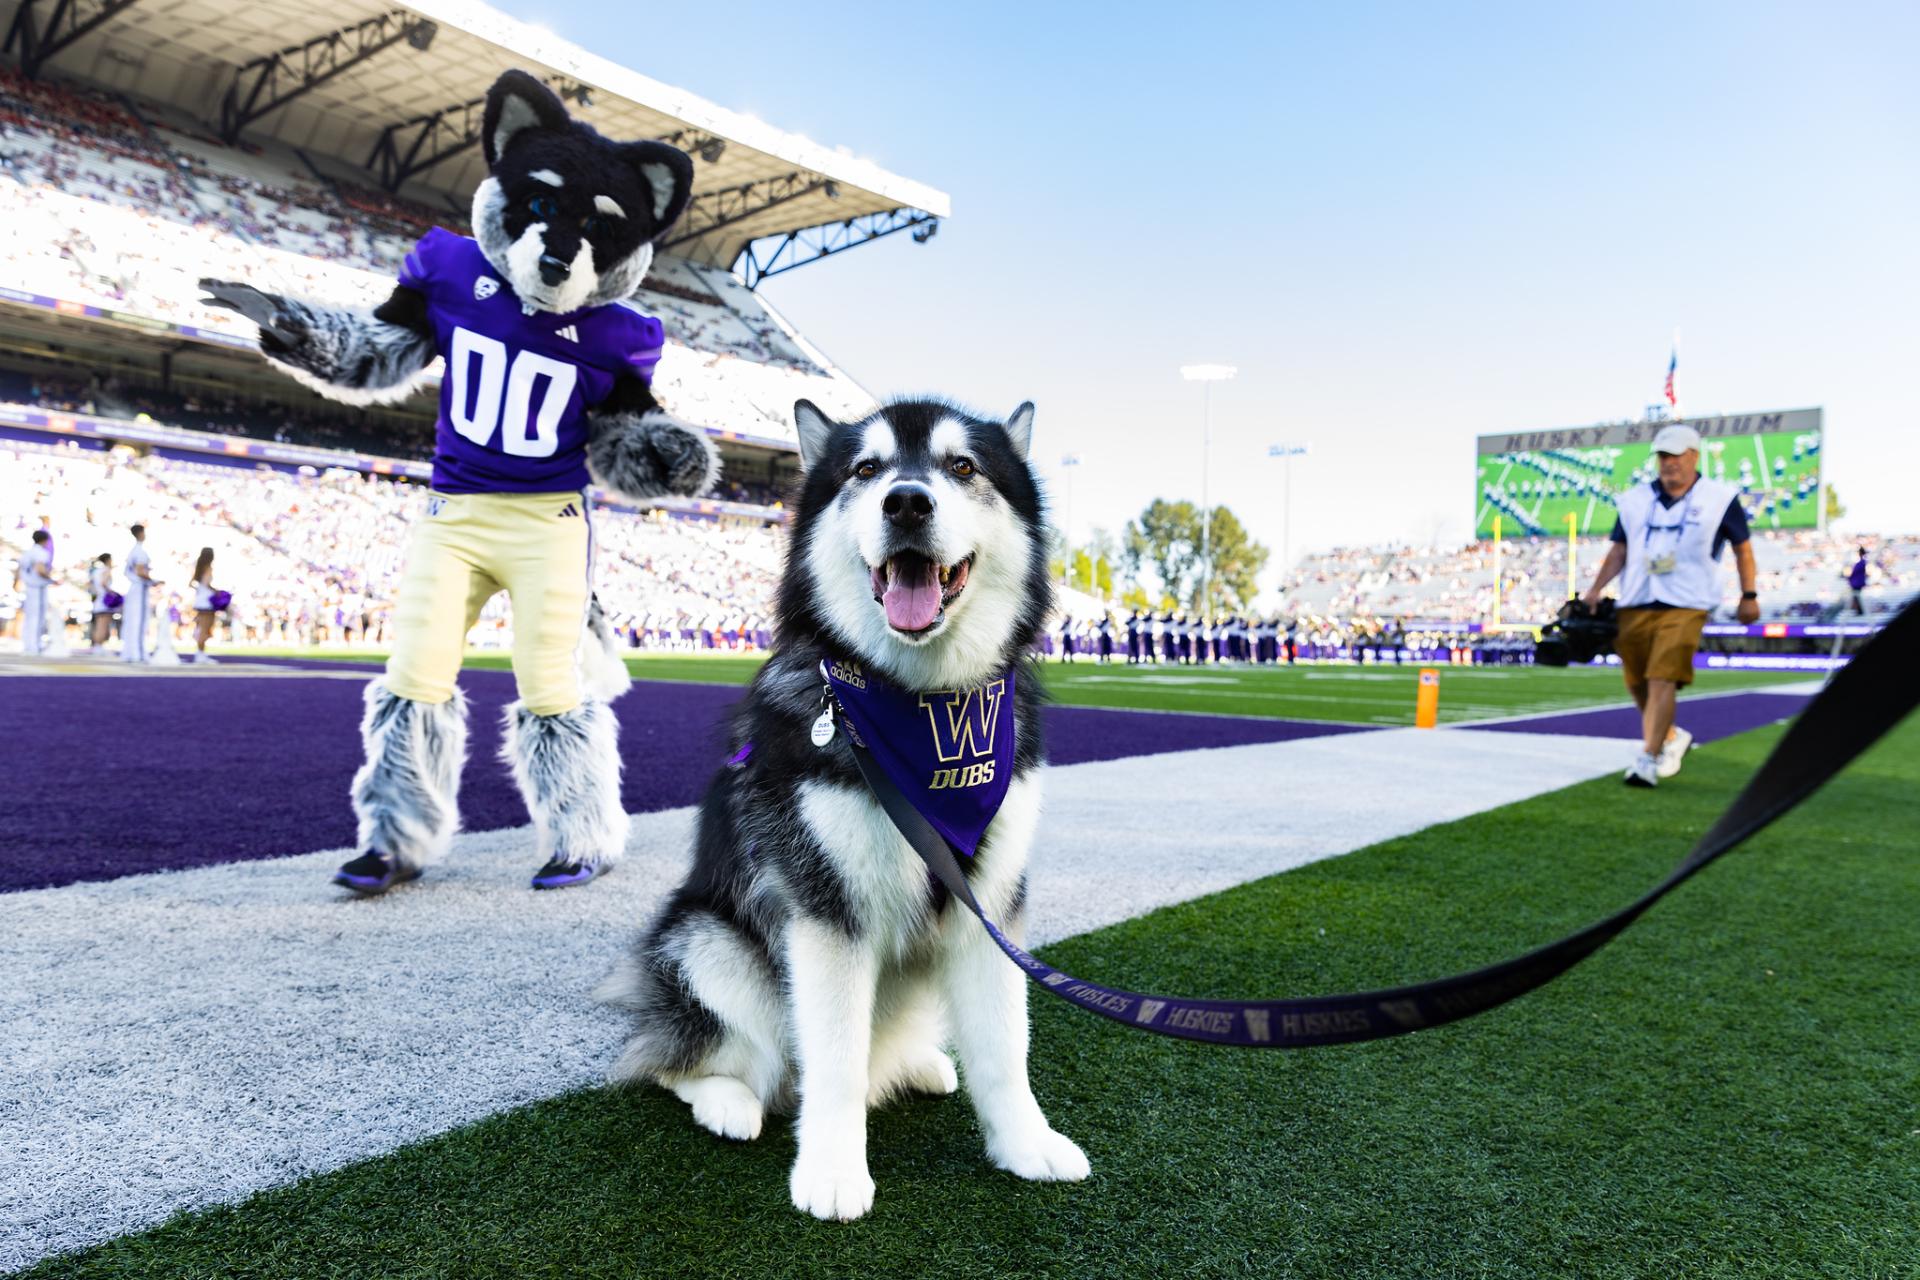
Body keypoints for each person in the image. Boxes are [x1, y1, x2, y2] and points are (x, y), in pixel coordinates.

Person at [1582, 424, 1760, 788]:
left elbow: (1743, 548)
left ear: (1695, 455)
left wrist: (1749, 595)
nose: (1669, 463)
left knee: (1662, 675)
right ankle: (1670, 736)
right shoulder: (1633, 500)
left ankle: (1648, 758)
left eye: (1676, 455)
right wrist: (1595, 590)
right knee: (1637, 681)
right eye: (1663, 456)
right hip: (1637, 597)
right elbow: (1620, 549)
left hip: (1688, 600)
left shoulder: (1720, 498)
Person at [13, 529, 54, 654]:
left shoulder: (27, 552)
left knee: (29, 617)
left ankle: (28, 644)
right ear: (45, 540)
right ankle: (35, 645)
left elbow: (18, 570)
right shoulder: (41, 553)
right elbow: (40, 570)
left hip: (28, 587)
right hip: (38, 588)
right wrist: (52, 580)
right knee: (38, 617)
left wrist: (14, 584)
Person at [122, 523, 155, 663]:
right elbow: (140, 572)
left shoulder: (133, 551)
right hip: (139, 588)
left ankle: (131, 652)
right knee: (139, 621)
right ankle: (138, 653)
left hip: (134, 588)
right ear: (141, 533)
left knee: (133, 621)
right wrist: (154, 580)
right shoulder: (139, 552)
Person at [188, 546, 220, 662]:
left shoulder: (199, 568)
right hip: (207, 601)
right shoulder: (208, 568)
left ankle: (200, 653)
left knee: (201, 627)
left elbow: (192, 584)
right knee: (205, 628)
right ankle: (200, 654)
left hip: (200, 600)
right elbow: (207, 584)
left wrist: (199, 591)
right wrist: (216, 591)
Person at [88, 553, 115, 649]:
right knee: (103, 626)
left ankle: (96, 646)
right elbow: (103, 583)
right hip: (105, 601)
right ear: (108, 560)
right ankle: (99, 646)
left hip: (99, 600)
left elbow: (92, 586)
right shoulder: (106, 570)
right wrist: (112, 593)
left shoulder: (96, 572)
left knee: (99, 625)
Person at [1847, 546, 1869, 615]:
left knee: (1857, 597)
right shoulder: (1860, 562)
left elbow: (1855, 572)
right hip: (1856, 582)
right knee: (1856, 597)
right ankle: (1858, 611)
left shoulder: (1862, 562)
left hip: (1857, 583)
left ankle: (1859, 611)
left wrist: (1849, 576)